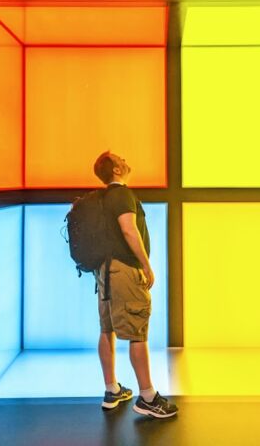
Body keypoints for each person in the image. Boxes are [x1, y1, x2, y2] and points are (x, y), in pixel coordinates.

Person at [92, 151, 178, 419]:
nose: (127, 160)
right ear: (116, 170)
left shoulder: (101, 199)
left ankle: (112, 389)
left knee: (107, 328)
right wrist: (146, 264)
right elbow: (129, 229)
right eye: (122, 159)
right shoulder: (122, 195)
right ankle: (148, 397)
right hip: (124, 270)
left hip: (104, 272)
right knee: (137, 330)